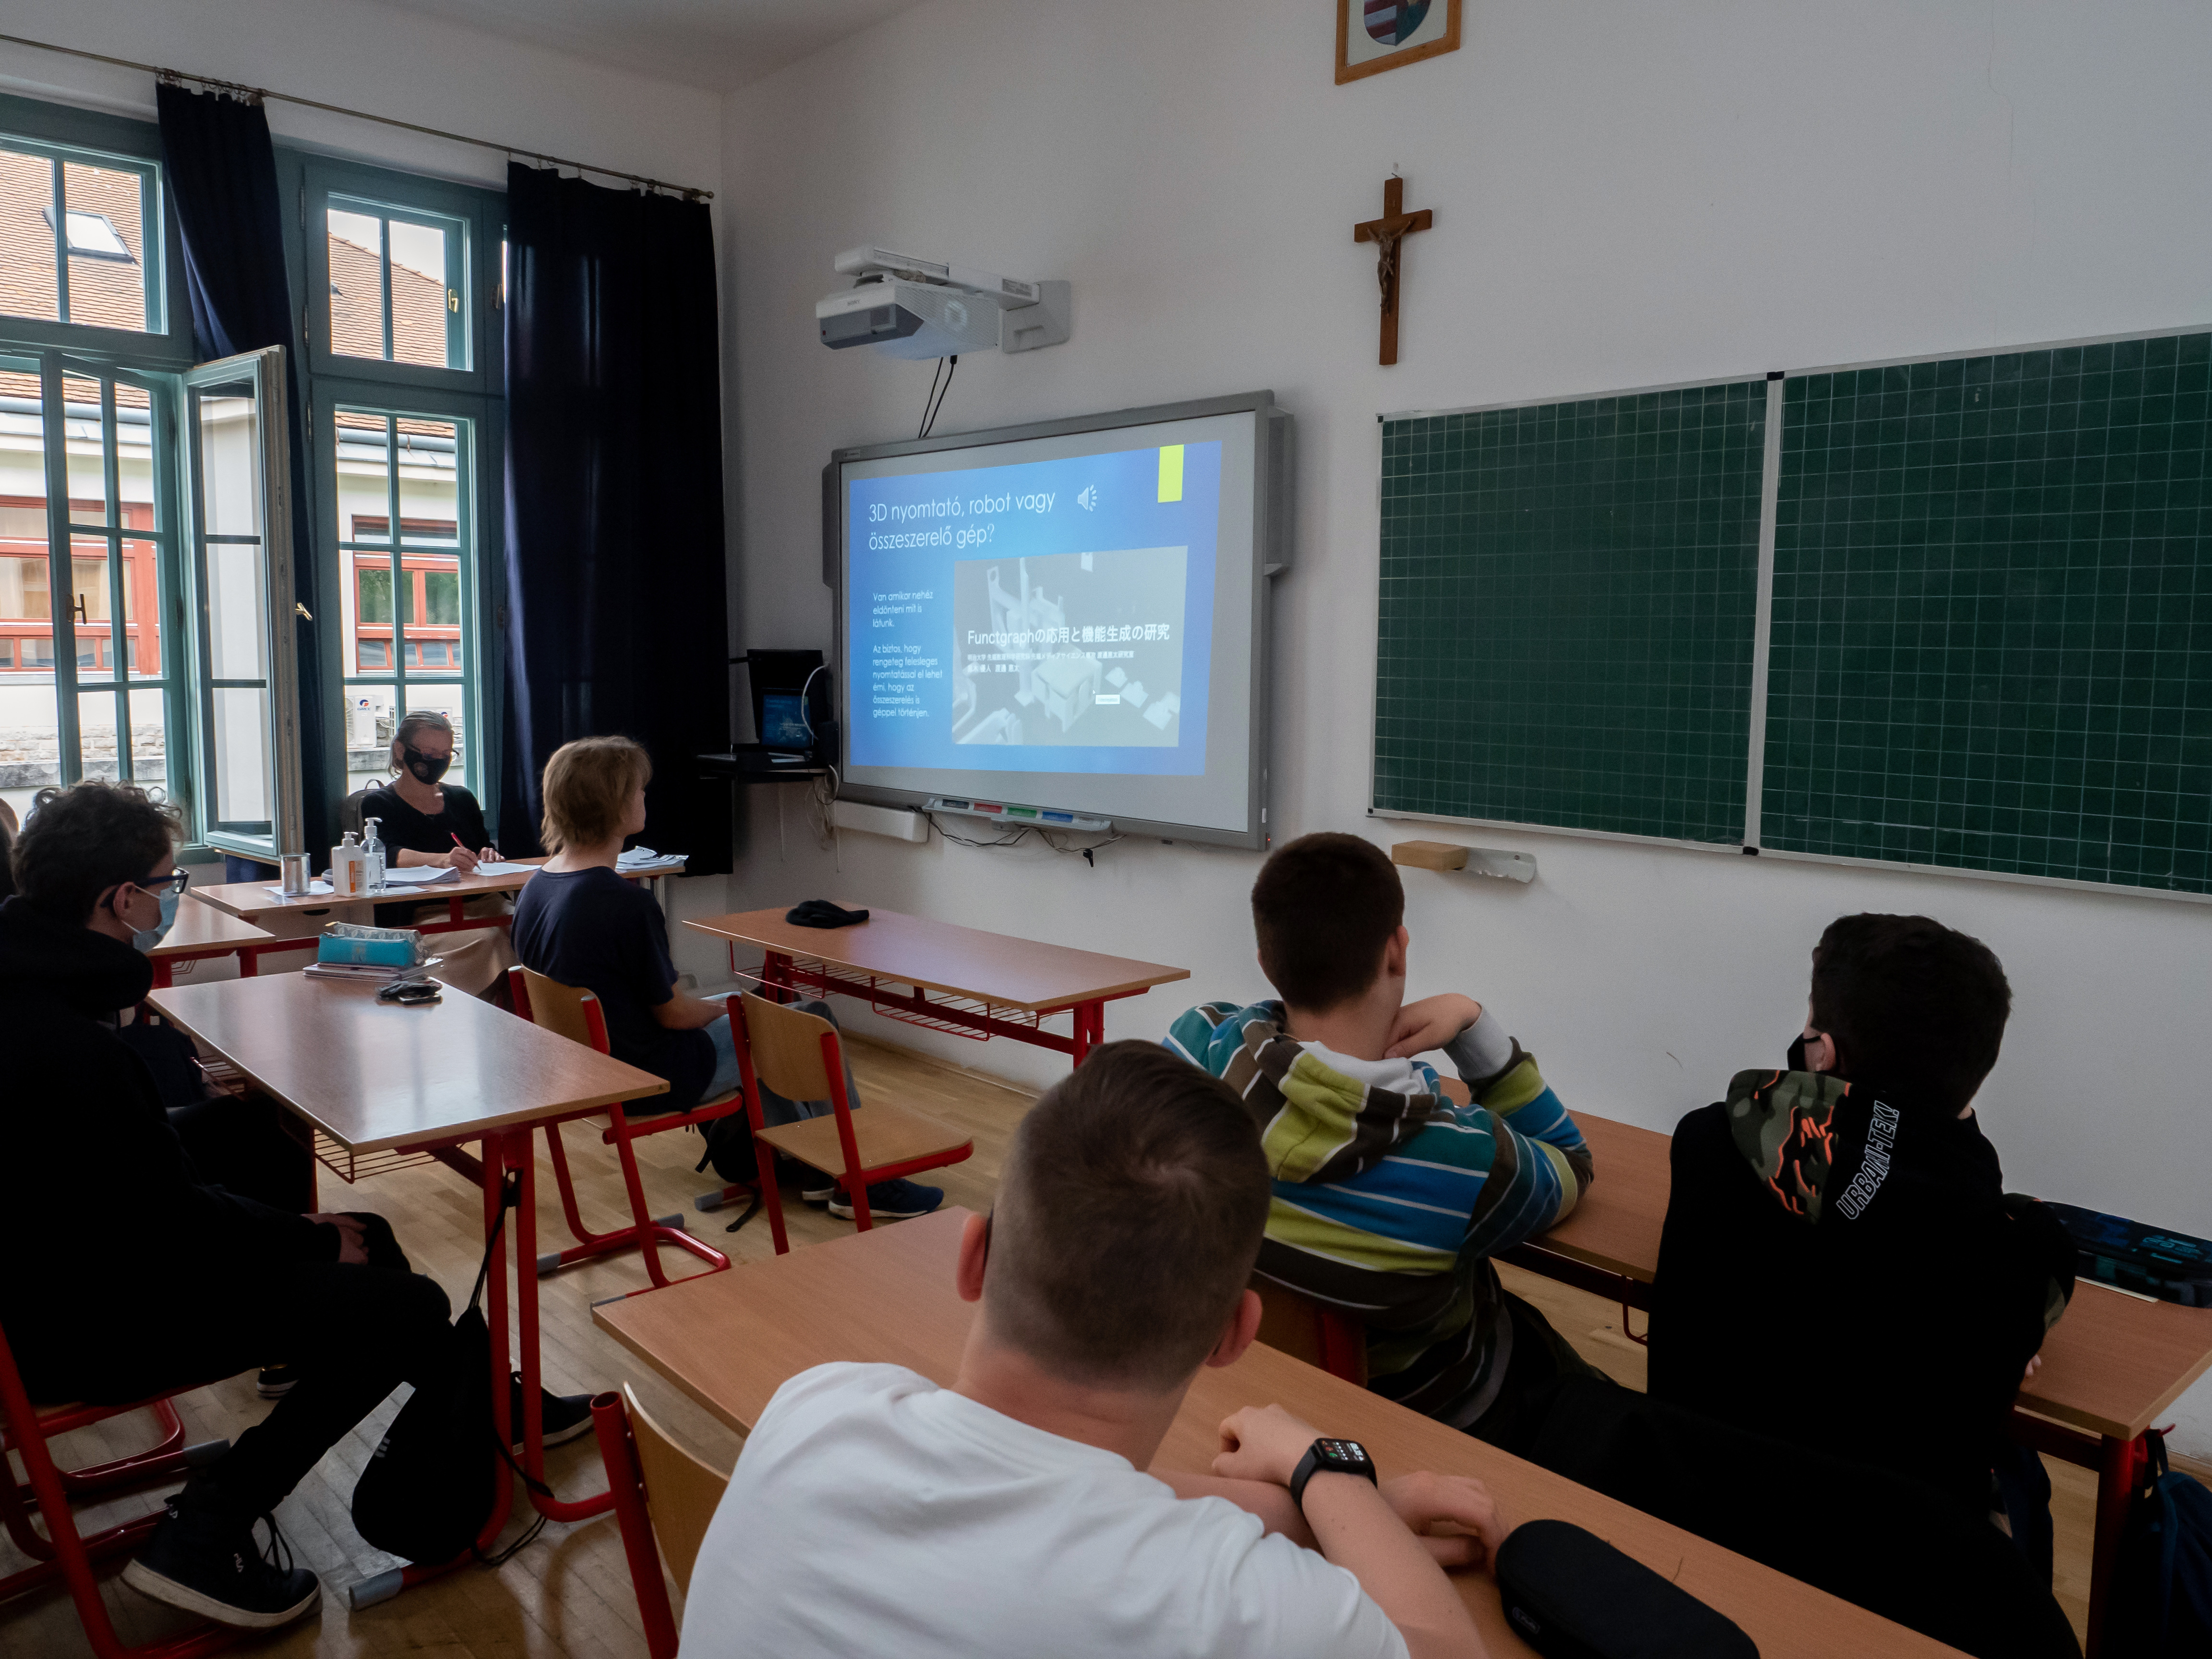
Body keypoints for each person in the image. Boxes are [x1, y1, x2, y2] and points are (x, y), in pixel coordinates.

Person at [679, 1041, 1509, 1659]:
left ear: (971, 1257)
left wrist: (1349, 1514)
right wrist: (1330, 1471)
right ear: (1233, 1336)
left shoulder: (814, 1406)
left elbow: (1062, 1488)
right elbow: (1446, 1648)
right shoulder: (1226, 1607)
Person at [0, 781, 595, 1630]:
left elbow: (122, 1173)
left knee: (295, 1168)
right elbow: (165, 1217)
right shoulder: (69, 1045)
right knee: (406, 1305)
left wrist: (288, 1217)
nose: (169, 902)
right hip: (83, 1325)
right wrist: (304, 1238)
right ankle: (206, 1530)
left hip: (47, 1281)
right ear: (120, 900)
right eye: (166, 886)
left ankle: (493, 1400)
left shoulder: (28, 988)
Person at [1166, 832, 1597, 1453]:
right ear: (1397, 952)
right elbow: (1572, 1161)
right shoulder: (1462, 1162)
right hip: (1429, 1429)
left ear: (1266, 962)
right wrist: (1472, 1025)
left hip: (1230, 1401)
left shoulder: (1189, 1051)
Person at [1649, 913, 2078, 1536]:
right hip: (1888, 1564)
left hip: (1695, 1517)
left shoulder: (1709, 1146)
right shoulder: (2021, 1264)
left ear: (1823, 1054)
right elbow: (1970, 1203)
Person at [509, 736, 942, 1221]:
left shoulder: (536, 887)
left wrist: (739, 1009)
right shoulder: (623, 902)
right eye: (637, 789)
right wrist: (732, 1008)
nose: (644, 796)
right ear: (611, 804)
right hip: (647, 1074)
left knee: (772, 1020)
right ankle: (863, 1180)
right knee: (809, 1020)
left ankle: (814, 1168)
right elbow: (675, 1015)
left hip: (586, 1071)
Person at [354, 710, 496, 871]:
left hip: (473, 887)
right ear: (400, 750)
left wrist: (488, 854)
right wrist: (444, 859)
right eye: (429, 754)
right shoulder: (379, 803)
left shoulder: (463, 798)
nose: (439, 761)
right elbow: (386, 853)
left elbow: (483, 846)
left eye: (446, 755)